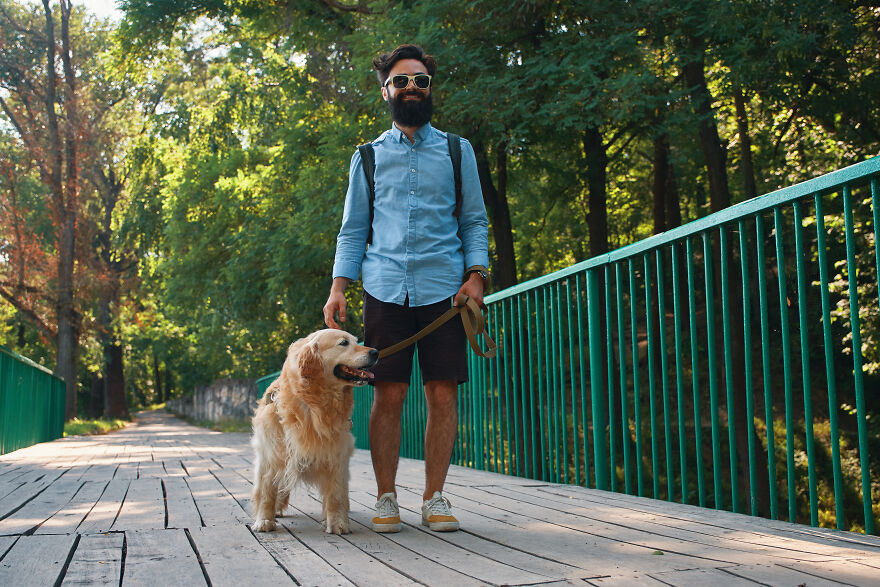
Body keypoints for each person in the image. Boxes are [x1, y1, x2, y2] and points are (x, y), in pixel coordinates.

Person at [323, 44, 490, 533]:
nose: (412, 88)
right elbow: (353, 229)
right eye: (402, 81)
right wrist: (339, 288)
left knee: (442, 394)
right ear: (386, 91)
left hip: (446, 294)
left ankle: (435, 498)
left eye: (420, 81)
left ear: (430, 89)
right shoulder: (368, 158)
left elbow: (474, 221)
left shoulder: (458, 151)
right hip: (384, 289)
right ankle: (385, 498)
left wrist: (476, 275)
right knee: (388, 394)